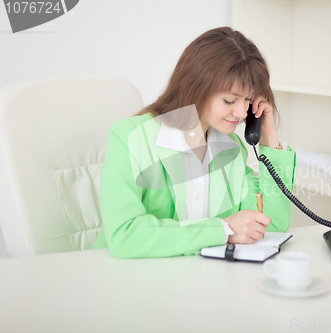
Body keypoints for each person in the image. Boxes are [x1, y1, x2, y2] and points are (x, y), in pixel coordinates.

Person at [89, 27, 296, 258]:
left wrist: (269, 138)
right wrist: (223, 230)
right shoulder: (129, 136)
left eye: (248, 99)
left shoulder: (232, 147)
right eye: (229, 100)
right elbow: (125, 234)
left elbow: (272, 223)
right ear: (196, 88)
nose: (241, 112)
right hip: (122, 278)